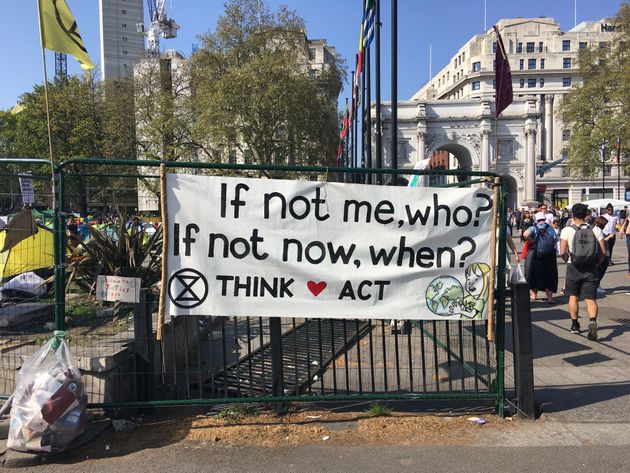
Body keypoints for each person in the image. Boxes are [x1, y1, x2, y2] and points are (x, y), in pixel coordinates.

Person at [559, 203, 606, 340]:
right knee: (590, 298)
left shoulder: (567, 230)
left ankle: (574, 325)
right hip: (590, 267)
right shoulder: (596, 230)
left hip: (573, 266)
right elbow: (603, 251)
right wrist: (597, 262)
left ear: (573, 214)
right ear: (586, 214)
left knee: (573, 296)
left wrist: (568, 259)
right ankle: (592, 320)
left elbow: (562, 251)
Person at [523, 212, 559, 303]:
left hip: (537, 256)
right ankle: (550, 298)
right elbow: (555, 240)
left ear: (536, 219)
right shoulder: (550, 228)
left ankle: (534, 295)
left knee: (535, 275)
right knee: (549, 275)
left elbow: (525, 235)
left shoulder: (533, 228)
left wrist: (532, 241)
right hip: (549, 256)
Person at [593, 216, 614, 295]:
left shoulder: (595, 228)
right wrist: (609, 237)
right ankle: (596, 285)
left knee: (600, 268)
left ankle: (596, 285)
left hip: (598, 252)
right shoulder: (597, 230)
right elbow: (601, 241)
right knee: (600, 268)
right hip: (599, 252)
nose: (605, 226)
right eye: (604, 224)